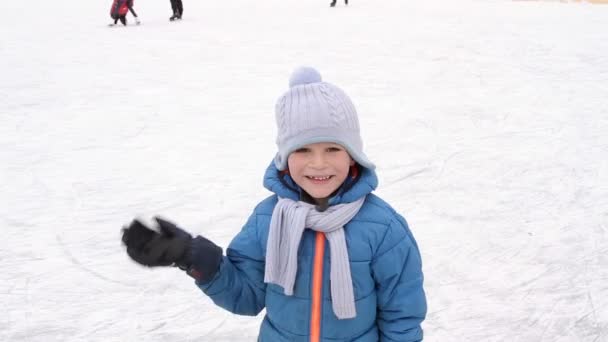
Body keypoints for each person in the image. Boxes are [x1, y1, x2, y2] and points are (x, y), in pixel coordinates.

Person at [121, 66, 427, 341]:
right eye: (303, 150)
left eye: (333, 148)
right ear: (284, 158)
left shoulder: (383, 227)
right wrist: (195, 258)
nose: (318, 164)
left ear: (353, 155)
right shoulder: (268, 219)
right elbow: (248, 297)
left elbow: (402, 312)